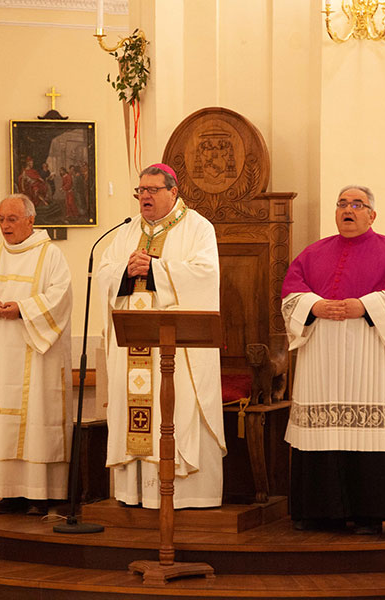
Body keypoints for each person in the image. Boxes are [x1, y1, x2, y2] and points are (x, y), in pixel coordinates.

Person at [280, 185, 385, 534]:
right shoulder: (312, 253)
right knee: (322, 433)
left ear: (372, 215)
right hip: (323, 357)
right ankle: (320, 512)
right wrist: (313, 306)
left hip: (372, 355)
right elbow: (290, 295)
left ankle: (371, 512)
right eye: (342, 204)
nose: (348, 209)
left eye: (357, 204)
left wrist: (365, 306)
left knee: (370, 434)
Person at [96, 163, 225, 509]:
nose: (145, 197)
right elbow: (104, 273)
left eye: (152, 190)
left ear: (173, 192)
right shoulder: (126, 231)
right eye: (141, 191)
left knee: (177, 409)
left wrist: (155, 269)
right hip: (132, 348)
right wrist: (125, 271)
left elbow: (205, 276)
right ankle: (134, 492)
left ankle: (187, 495)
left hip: (178, 351)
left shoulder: (198, 228)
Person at [0, 194, 72, 516]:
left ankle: (40, 493)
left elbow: (60, 296)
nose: (5, 226)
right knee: (3, 422)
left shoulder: (50, 255)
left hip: (37, 355)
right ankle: (9, 492)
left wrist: (22, 309)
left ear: (30, 220)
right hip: (1, 355)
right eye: (1, 219)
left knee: (36, 418)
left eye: (12, 219)